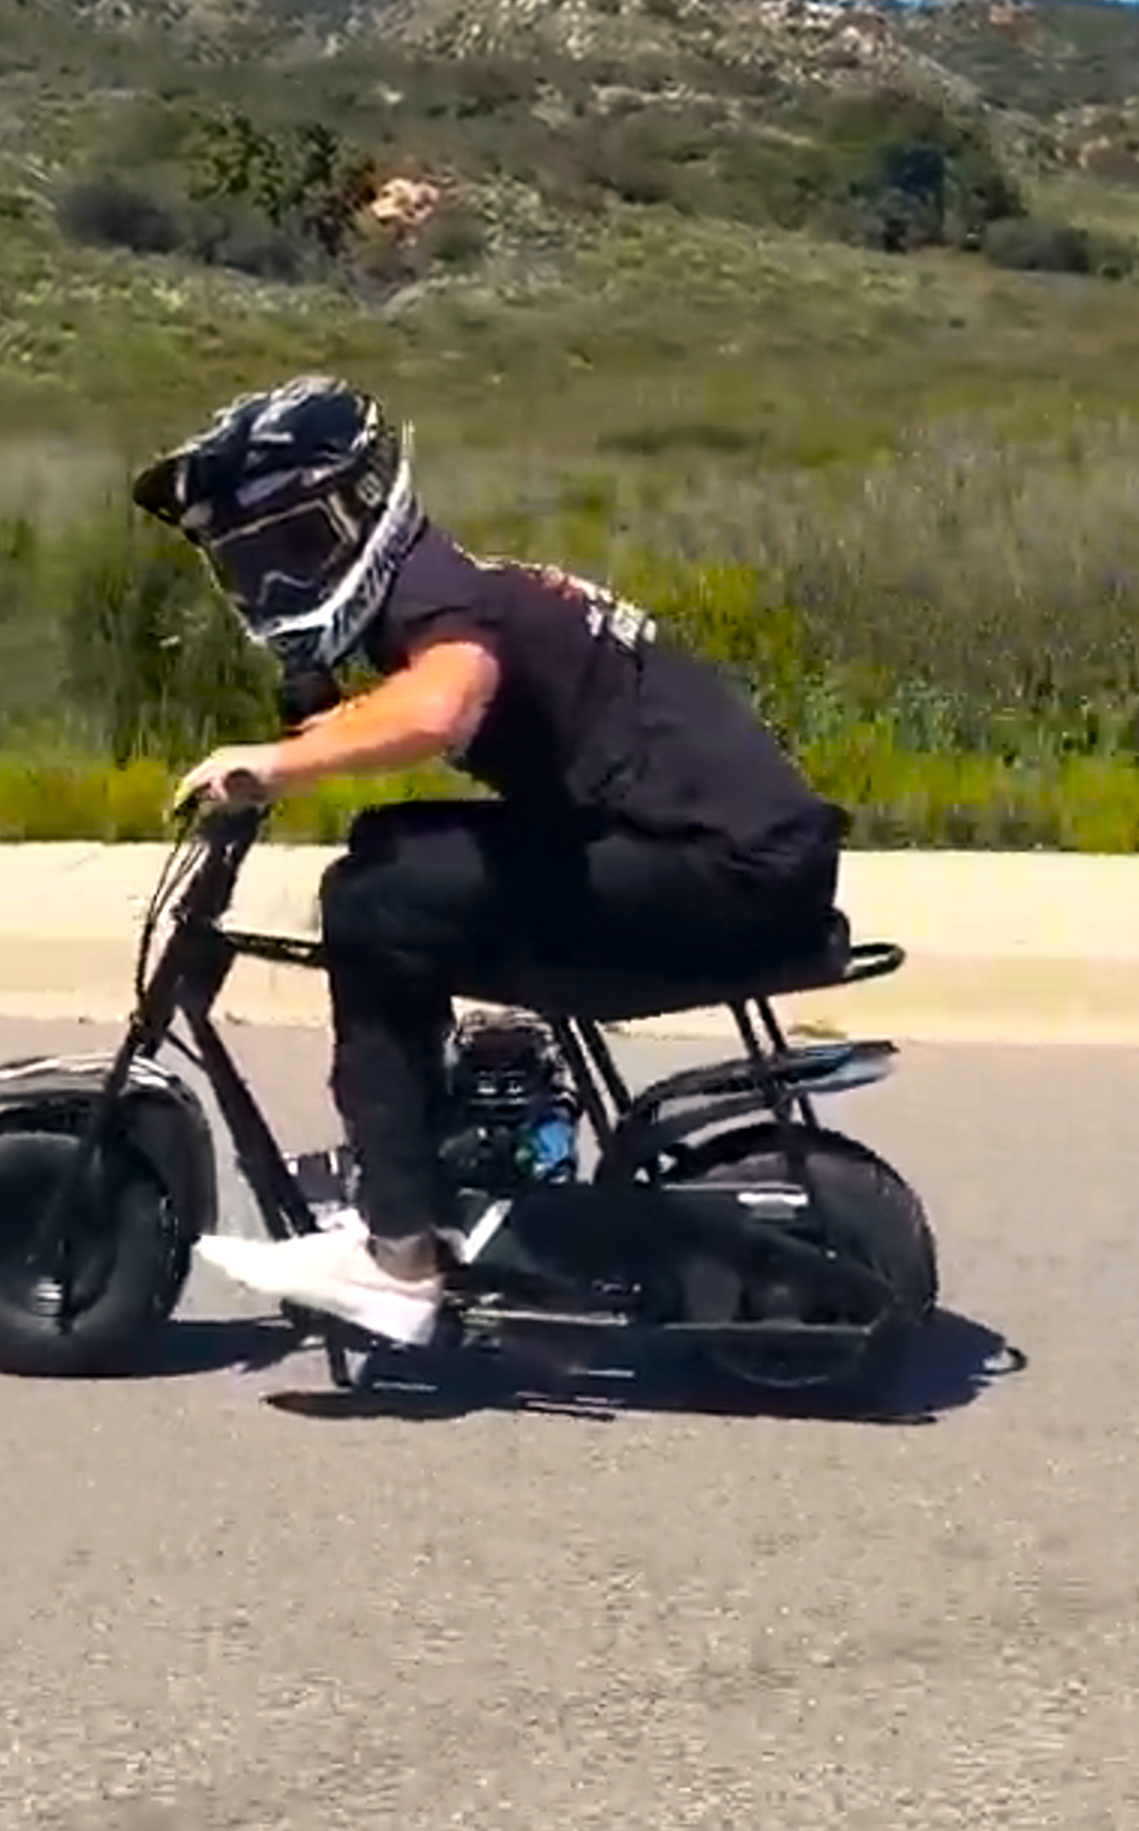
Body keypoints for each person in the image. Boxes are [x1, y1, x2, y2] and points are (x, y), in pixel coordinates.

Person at [132, 374, 850, 1349]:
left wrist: (270, 766)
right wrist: (313, 721)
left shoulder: (444, 605)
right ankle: (427, 1164)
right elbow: (408, 698)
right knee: (385, 850)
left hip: (723, 874)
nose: (272, 585)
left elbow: (440, 708)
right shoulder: (447, 591)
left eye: (291, 549)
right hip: (729, 852)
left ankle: (395, 1254)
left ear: (360, 511)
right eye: (248, 566)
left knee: (375, 905)